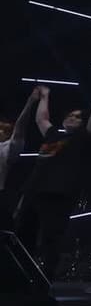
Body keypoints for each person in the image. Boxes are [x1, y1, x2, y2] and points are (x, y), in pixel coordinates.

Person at [16, 78, 91, 278]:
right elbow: (41, 119)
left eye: (77, 117)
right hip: (34, 190)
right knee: (22, 235)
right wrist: (45, 96)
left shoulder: (83, 138)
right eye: (70, 115)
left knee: (51, 238)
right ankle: (20, 275)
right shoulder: (54, 135)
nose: (72, 118)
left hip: (59, 193)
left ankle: (45, 279)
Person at [1, 88, 39, 231]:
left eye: (6, 129)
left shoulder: (7, 148)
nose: (1, 131)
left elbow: (20, 129)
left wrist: (30, 102)